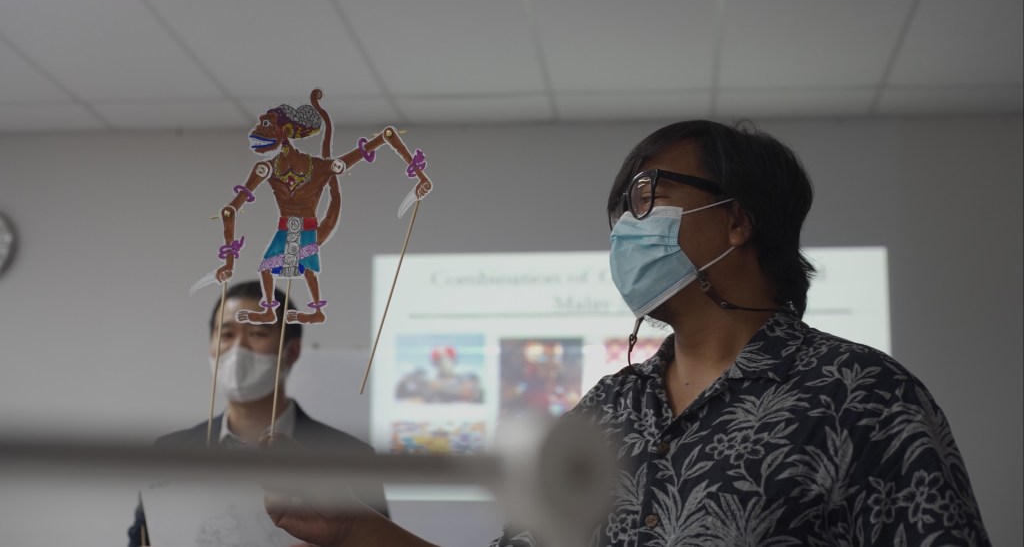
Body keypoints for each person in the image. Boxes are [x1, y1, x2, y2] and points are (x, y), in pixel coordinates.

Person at [264, 120, 990, 546]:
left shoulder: (864, 397)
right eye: (619, 211)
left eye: (647, 197)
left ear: (738, 220)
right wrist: (354, 530)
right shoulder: (606, 413)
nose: (625, 229)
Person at [126, 280, 388, 546]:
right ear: (211, 346)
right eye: (226, 334)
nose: (238, 348)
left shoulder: (350, 458)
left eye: (257, 333)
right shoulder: (169, 453)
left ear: (291, 351)